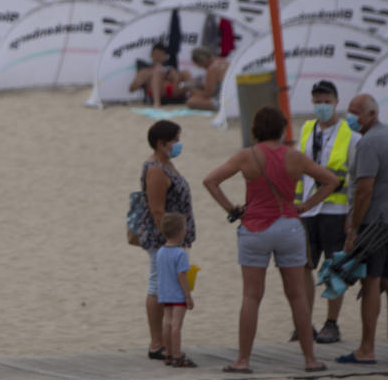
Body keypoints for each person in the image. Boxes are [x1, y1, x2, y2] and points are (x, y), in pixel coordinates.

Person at [203, 106, 337, 374]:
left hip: (254, 228)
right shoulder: (295, 157)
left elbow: (210, 181)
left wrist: (231, 209)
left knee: (251, 296)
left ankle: (242, 360)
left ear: (255, 130)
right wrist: (306, 205)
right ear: (282, 129)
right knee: (297, 295)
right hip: (288, 226)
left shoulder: (247, 156)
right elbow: (331, 180)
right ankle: (310, 359)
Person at [336, 94, 388, 365]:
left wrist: (354, 227)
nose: (351, 116)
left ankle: (366, 349)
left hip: (374, 224)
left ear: (371, 114)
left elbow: (364, 190)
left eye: (355, 112)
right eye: (349, 111)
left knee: (372, 281)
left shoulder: (368, 143)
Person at [294, 80, 360, 344]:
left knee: (335, 267)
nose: (322, 106)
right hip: (307, 210)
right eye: (317, 101)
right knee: (304, 267)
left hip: (337, 209)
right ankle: (304, 323)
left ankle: (331, 323)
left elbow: (355, 180)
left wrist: (352, 218)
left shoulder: (351, 136)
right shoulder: (306, 129)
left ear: (336, 102)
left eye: (326, 101)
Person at [134, 120, 196, 363]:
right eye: (175, 140)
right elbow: (157, 210)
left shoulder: (166, 164)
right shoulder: (156, 169)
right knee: (157, 285)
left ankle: (166, 342)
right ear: (162, 144)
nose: (178, 145)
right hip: (163, 240)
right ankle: (157, 342)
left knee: (166, 286)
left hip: (173, 238)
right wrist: (171, 243)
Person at [157, 213, 196, 368]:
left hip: (165, 293)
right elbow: (182, 275)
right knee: (176, 326)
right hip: (178, 294)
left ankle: (168, 353)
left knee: (166, 323)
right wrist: (188, 295)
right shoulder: (180, 253)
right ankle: (177, 355)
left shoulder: (160, 252)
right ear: (181, 231)